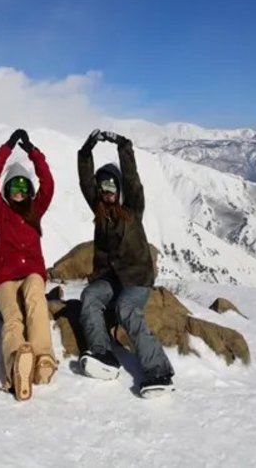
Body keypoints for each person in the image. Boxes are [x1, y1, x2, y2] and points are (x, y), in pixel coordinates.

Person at [76, 128, 175, 397]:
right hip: (110, 278)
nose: (106, 192)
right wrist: (87, 151)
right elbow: (85, 181)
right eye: (102, 187)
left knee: (125, 309)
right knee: (90, 297)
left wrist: (123, 146)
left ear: (119, 189)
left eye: (111, 186)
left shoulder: (132, 209)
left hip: (137, 279)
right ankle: (102, 354)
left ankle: (159, 371)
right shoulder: (99, 210)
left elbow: (132, 179)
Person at [0, 128, 58, 401]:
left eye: (22, 186)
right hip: (4, 277)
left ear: (29, 190)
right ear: (7, 190)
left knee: (35, 299)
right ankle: (17, 362)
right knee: (13, 318)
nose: (18, 192)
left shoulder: (35, 210)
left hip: (32, 273)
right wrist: (6, 149)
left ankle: (43, 360)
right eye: (13, 187)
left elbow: (48, 183)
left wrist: (33, 152)